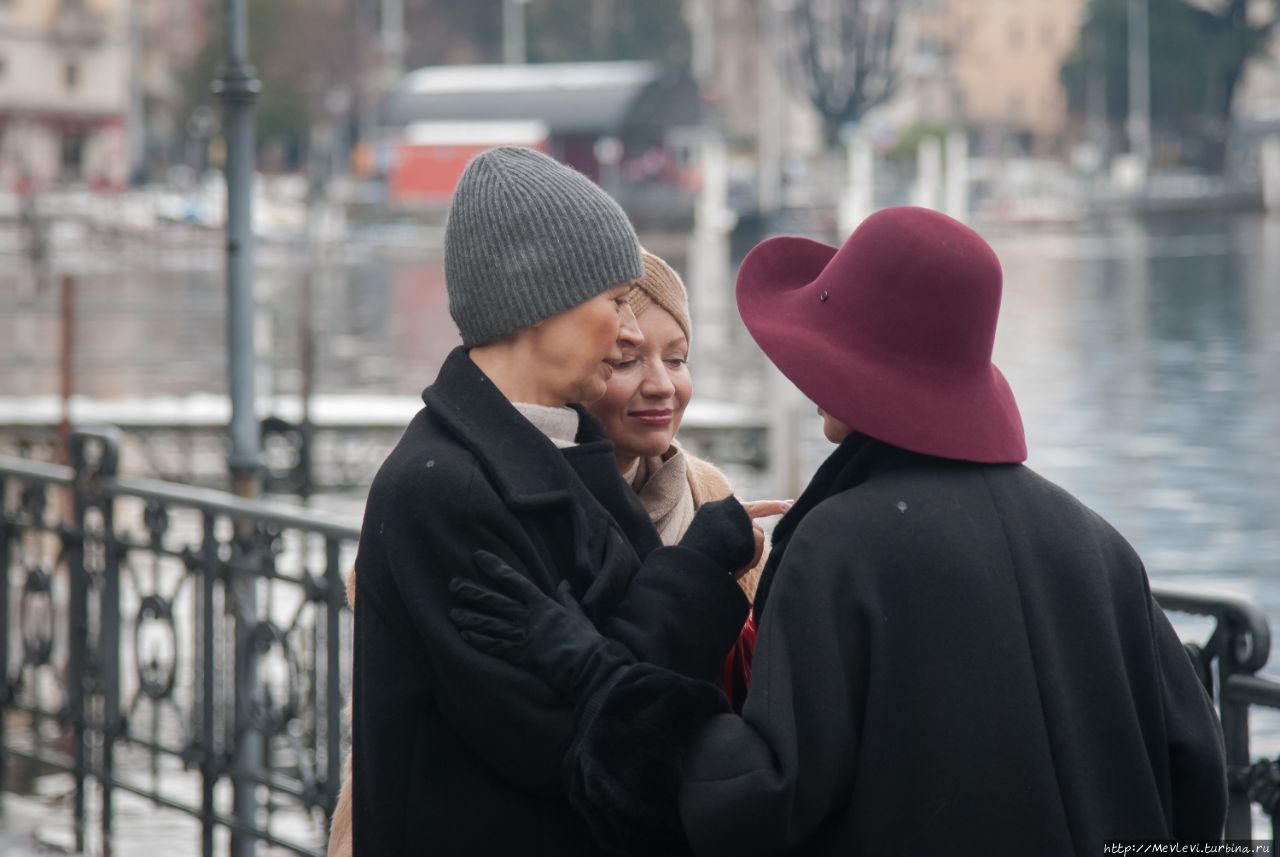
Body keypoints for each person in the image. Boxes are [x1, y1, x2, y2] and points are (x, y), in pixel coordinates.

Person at [449, 206, 1230, 855]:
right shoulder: (1097, 543)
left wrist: (599, 677)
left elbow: (759, 800)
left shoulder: (842, 547)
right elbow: (1197, 769)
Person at [348, 147, 759, 856]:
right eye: (616, 300)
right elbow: (591, 750)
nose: (630, 330)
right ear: (541, 300)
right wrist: (694, 573)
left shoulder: (558, 449)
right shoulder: (441, 487)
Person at [584, 249, 786, 707]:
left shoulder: (708, 492)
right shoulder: (540, 502)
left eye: (676, 360)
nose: (662, 386)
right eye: (625, 359)